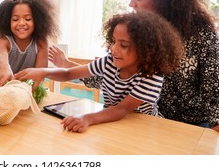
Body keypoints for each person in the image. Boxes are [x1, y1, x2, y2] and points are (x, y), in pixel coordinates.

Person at [49, 0, 219, 132]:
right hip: (148, 122)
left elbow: (213, 86)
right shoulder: (141, 32)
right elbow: (117, 80)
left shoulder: (200, 33)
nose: (131, 4)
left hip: (191, 127)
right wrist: (68, 66)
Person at [16, 11, 184, 133]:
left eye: (123, 45)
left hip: (144, 128)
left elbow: (121, 109)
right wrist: (43, 72)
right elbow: (68, 74)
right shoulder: (109, 61)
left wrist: (87, 118)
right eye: (113, 41)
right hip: (111, 122)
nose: (114, 49)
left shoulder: (151, 76)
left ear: (147, 50)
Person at [0, 0, 60, 88]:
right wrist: (4, 67)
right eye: (15, 19)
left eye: (28, 19)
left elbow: (39, 74)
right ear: (7, 21)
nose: (21, 23)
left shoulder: (41, 42)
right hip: (7, 87)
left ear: (37, 21)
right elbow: (0, 55)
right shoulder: (4, 40)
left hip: (30, 88)